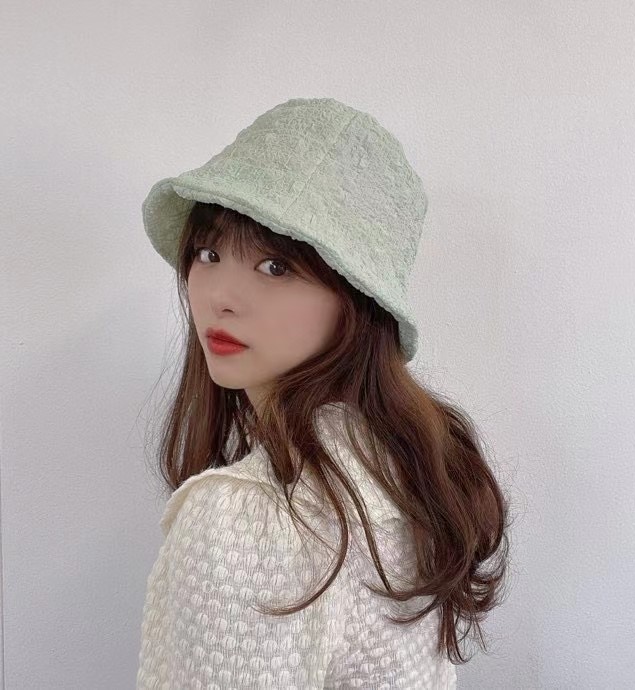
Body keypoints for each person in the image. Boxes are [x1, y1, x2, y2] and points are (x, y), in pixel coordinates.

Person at [135, 97, 510, 689]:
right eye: (208, 253)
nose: (220, 296)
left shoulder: (244, 522)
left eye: (274, 266)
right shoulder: (409, 470)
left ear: (356, 301)